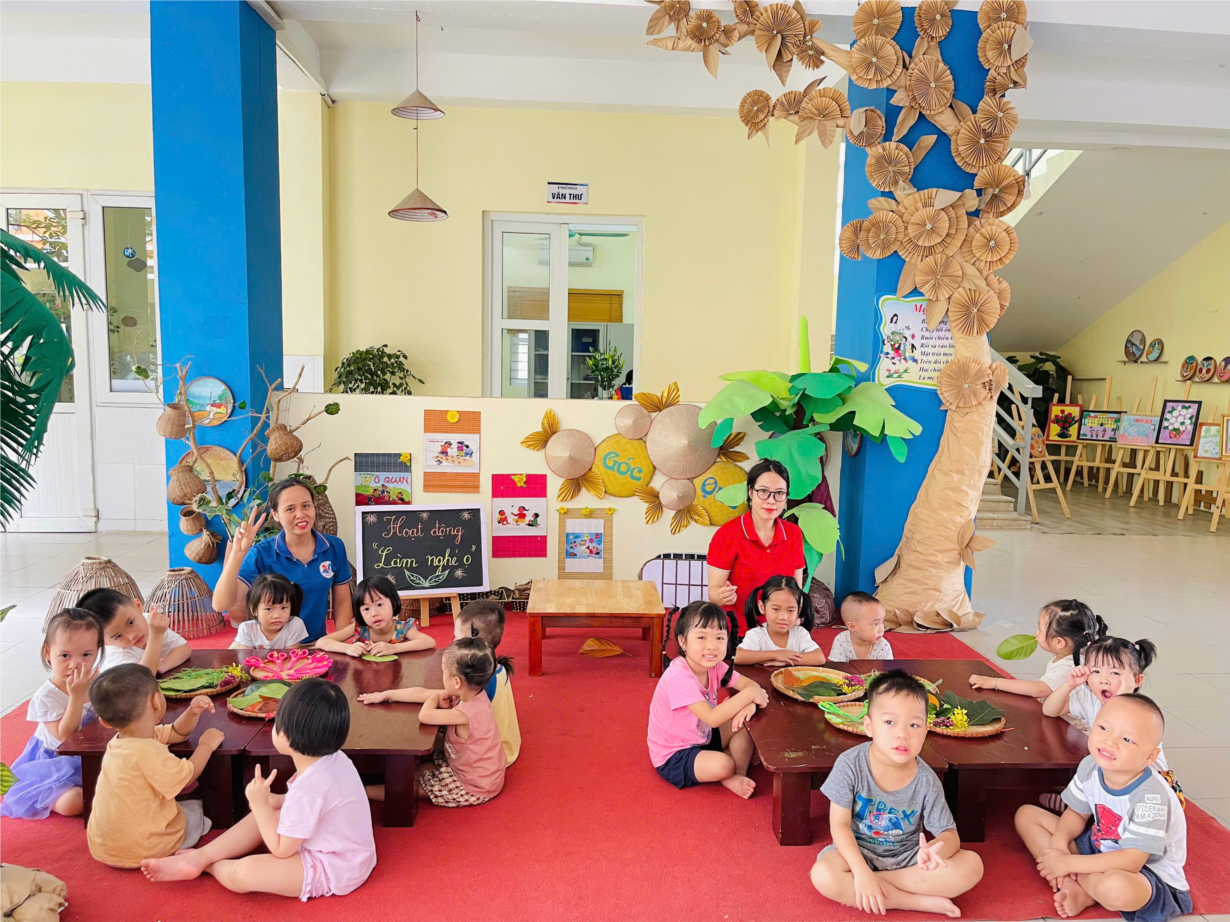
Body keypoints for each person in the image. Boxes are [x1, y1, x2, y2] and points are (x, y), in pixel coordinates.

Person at [141, 679, 377, 901]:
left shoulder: (309, 789)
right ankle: (200, 856)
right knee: (268, 812)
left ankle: (209, 865)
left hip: (333, 867)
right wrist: (278, 801)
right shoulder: (335, 758)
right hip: (347, 853)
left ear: (284, 735)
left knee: (244, 872)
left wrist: (261, 804)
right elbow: (321, 803)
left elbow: (281, 849)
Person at [810, 671, 984, 917]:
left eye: (914, 725)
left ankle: (874, 886)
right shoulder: (850, 764)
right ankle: (912, 901)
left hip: (908, 860)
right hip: (857, 855)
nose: (903, 733)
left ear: (925, 732)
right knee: (824, 874)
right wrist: (861, 871)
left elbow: (950, 835)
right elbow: (839, 825)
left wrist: (933, 851)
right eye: (890, 722)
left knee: (972, 866)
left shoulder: (926, 780)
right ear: (869, 726)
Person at [1015, 695, 1190, 922]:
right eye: (1104, 728)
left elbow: (1132, 860)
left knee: (1115, 888)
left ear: (1150, 757)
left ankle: (1081, 885)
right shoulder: (1091, 765)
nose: (1110, 742)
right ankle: (1069, 883)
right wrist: (1058, 845)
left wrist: (1067, 862)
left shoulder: (1151, 796)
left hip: (1146, 873)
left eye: (1127, 739)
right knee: (1027, 816)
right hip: (1100, 845)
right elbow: (1077, 813)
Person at [86, 664, 225, 867]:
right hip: (149, 849)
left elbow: (176, 733)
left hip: (104, 848)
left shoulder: (121, 741)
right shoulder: (149, 751)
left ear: (105, 722)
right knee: (195, 808)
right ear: (156, 702)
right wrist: (206, 745)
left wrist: (192, 712)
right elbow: (188, 776)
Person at [358, 638, 507, 808]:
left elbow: (425, 715)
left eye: (443, 672)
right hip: (479, 769)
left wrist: (435, 697)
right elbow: (421, 693)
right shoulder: (471, 694)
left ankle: (363, 791)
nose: (441, 676)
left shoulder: (466, 713)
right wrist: (386, 694)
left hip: (476, 785)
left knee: (413, 787)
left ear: (456, 682)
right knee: (422, 766)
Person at [647, 601, 769, 799]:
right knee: (724, 765)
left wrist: (749, 705)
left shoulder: (715, 666)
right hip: (675, 754)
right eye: (701, 637)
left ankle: (738, 774)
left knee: (746, 722)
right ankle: (729, 769)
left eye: (719, 637)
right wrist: (750, 697)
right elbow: (713, 718)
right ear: (683, 641)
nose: (711, 646)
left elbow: (751, 685)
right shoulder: (679, 676)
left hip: (704, 735)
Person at [212, 479, 353, 642]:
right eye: (290, 509)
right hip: (271, 647)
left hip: (315, 644)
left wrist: (341, 644)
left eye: (306, 505)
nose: (300, 514)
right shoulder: (262, 552)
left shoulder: (334, 546)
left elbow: (342, 602)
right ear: (276, 515)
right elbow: (221, 605)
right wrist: (238, 553)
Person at [0, 609, 104, 819]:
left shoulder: (94, 682)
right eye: (65, 655)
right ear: (48, 653)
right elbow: (65, 737)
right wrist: (76, 697)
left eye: (86, 655)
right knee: (73, 803)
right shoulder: (46, 696)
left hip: (92, 753)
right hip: (54, 762)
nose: (75, 664)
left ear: (97, 652)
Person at [707, 459, 805, 633]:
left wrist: (796, 617)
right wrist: (723, 596)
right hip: (738, 632)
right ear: (751, 492)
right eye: (763, 492)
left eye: (779, 493)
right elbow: (713, 594)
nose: (771, 500)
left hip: (780, 630)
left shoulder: (794, 534)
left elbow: (797, 590)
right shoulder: (727, 535)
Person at [969, 599, 1106, 699]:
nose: (1035, 634)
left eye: (1040, 630)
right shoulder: (1080, 655)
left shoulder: (1069, 666)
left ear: (1059, 642)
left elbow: (1039, 690)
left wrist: (994, 682)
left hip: (1068, 725)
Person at [455, 600, 520, 765]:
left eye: (458, 638)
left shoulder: (479, 680)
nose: (454, 642)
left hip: (491, 756)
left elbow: (459, 716)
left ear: (475, 642)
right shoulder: (497, 667)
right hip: (508, 746)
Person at [315, 576, 435, 658]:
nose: (374, 613)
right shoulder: (360, 628)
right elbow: (322, 642)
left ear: (393, 603)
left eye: (380, 605)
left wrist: (394, 648)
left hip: (398, 677)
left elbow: (429, 641)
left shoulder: (402, 628)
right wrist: (348, 648)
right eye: (366, 609)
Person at [79, 587, 191, 675]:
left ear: (138, 606)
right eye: (118, 636)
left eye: (131, 623)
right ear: (104, 642)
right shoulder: (115, 654)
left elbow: (183, 648)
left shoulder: (150, 623)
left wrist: (162, 666)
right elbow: (142, 678)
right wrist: (156, 636)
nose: (131, 636)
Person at [734, 575, 827, 667]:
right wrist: (776, 654)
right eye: (776, 609)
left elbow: (819, 657)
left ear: (798, 611)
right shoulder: (757, 635)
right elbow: (737, 656)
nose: (783, 617)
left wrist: (787, 661)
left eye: (791, 610)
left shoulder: (800, 634)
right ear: (762, 607)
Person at [230, 573, 309, 651]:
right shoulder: (247, 629)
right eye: (269, 609)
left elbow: (289, 655)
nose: (277, 615)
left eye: (283, 607)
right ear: (254, 610)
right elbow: (247, 657)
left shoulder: (295, 625)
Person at [829, 592, 893, 661]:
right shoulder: (842, 641)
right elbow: (837, 667)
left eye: (882, 622)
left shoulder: (883, 646)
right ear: (852, 627)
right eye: (875, 624)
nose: (881, 629)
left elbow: (888, 668)